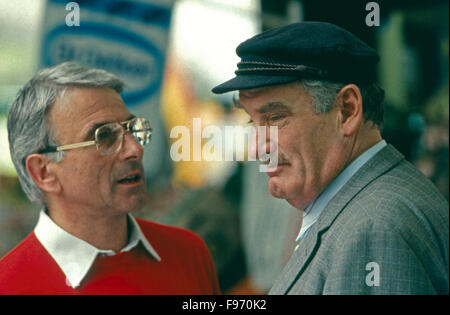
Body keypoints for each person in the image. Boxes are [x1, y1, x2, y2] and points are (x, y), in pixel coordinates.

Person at [212, 22, 449, 294]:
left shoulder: (374, 229)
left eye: (275, 118)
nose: (257, 149)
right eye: (253, 122)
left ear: (347, 111)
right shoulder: (363, 210)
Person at [0, 62, 220, 295]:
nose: (135, 148)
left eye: (132, 128)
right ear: (44, 172)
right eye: (104, 136)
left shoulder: (188, 253)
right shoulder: (9, 286)